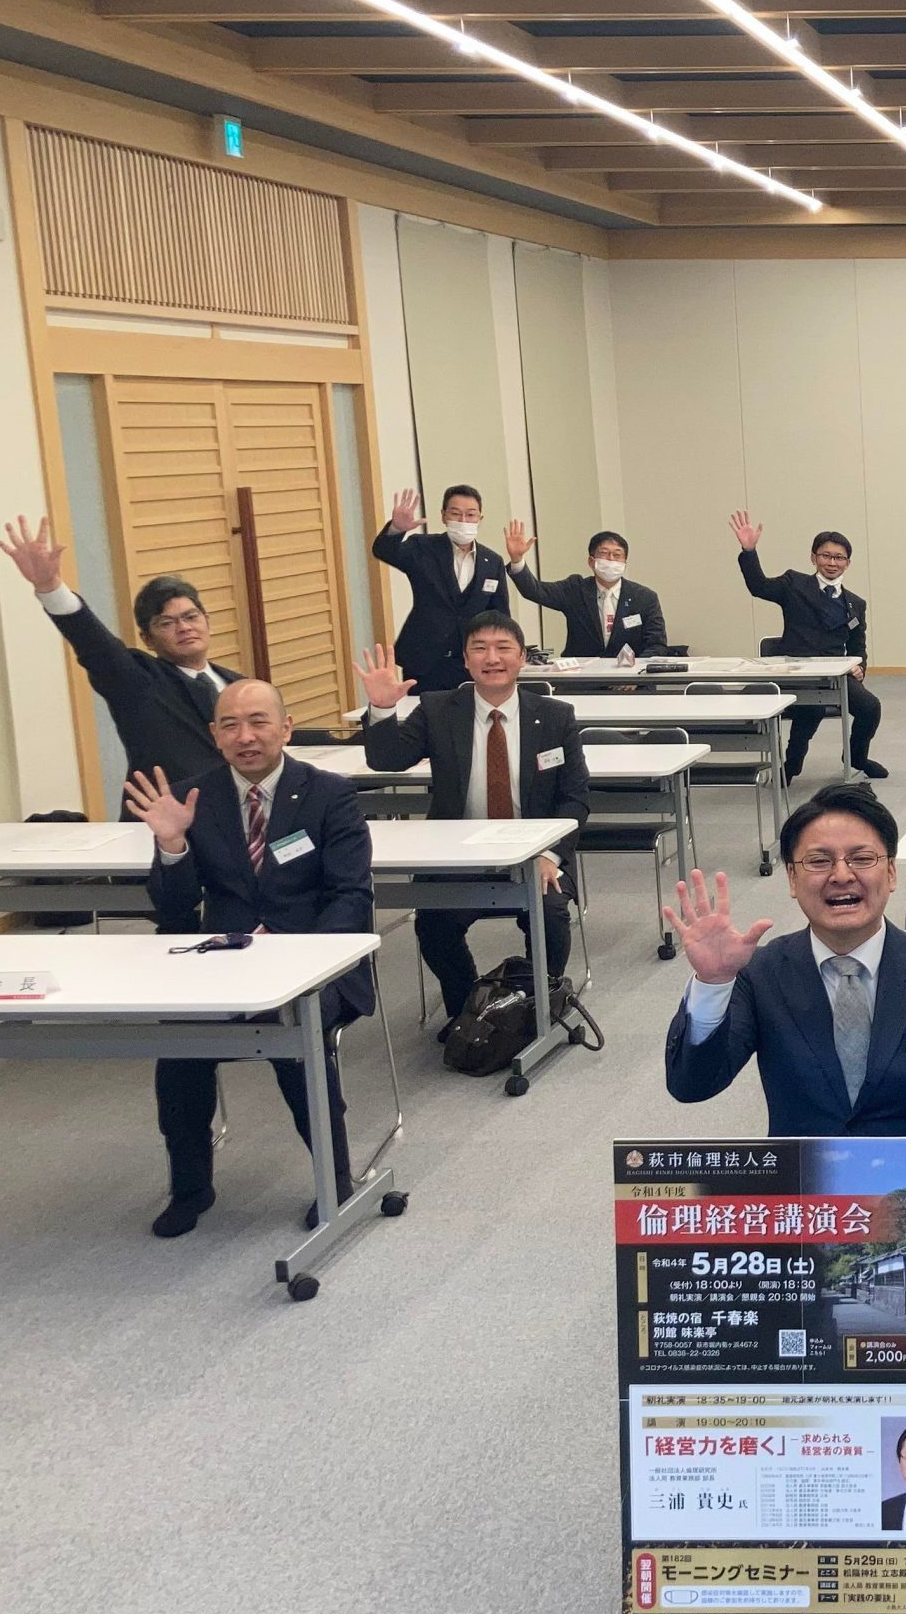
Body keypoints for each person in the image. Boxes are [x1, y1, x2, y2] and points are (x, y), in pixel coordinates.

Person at [661, 787, 906, 1201]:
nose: (841, 875)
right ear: (792, 879)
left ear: (892, 873)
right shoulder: (760, 973)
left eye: (862, 859)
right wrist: (714, 983)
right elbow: (692, 1085)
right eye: (819, 861)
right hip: (803, 1202)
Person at [123, 680, 375, 1239]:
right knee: (179, 1046)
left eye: (259, 721)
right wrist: (171, 846)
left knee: (297, 1035)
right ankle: (191, 1187)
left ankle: (335, 1179)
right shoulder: (192, 798)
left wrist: (305, 965)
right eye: (231, 725)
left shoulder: (329, 794)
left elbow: (351, 895)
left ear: (285, 728)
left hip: (317, 963)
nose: (246, 736)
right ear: (215, 736)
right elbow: (173, 908)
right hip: (224, 964)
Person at [356, 616, 586, 1033]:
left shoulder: (555, 716)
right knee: (434, 924)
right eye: (479, 648)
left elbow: (575, 798)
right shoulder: (438, 709)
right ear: (465, 660)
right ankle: (468, 1012)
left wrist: (550, 855)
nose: (491, 658)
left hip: (534, 852)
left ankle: (536, 1004)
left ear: (522, 657)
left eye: (503, 648)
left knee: (551, 913)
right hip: (457, 853)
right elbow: (387, 760)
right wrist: (383, 709)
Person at [0, 514, 238, 802]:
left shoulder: (239, 685)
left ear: (207, 621)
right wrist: (50, 587)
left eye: (191, 617)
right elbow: (96, 646)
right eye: (166, 623)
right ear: (148, 639)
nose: (184, 627)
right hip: (163, 821)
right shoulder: (137, 681)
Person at [731, 514, 886, 782]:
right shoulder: (794, 584)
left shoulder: (855, 603)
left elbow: (857, 646)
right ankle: (792, 766)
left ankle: (857, 758)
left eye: (839, 558)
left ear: (847, 563)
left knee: (870, 707)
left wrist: (860, 668)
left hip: (836, 676)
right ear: (813, 558)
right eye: (826, 556)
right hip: (798, 674)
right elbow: (759, 586)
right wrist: (749, 551)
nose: (832, 563)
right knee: (810, 709)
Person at [372, 485, 512, 693]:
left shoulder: (492, 561)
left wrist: (503, 653)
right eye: (455, 513)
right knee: (423, 711)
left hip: (471, 660)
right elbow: (384, 552)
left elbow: (500, 615)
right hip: (425, 659)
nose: (463, 520)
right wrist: (396, 529)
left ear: (479, 518)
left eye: (470, 514)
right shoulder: (423, 547)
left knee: (470, 711)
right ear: (444, 516)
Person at [505, 524, 667, 659]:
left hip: (631, 681)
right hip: (582, 678)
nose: (611, 559)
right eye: (604, 553)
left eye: (617, 555)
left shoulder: (644, 598)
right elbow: (535, 591)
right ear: (591, 561)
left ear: (625, 562)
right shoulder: (575, 589)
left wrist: (634, 673)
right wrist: (517, 560)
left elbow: (657, 644)